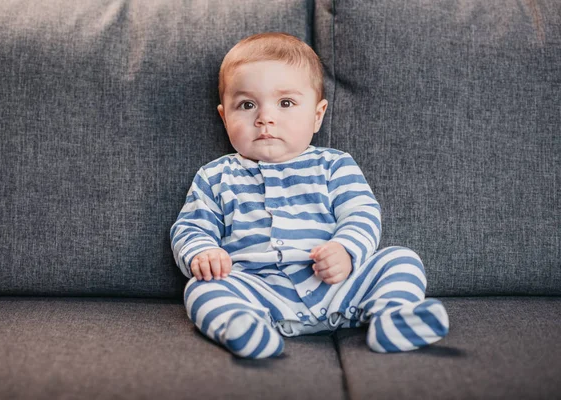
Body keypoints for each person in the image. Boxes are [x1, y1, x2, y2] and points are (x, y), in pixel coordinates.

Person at [170, 32, 449, 359]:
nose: (265, 118)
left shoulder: (334, 165)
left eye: (285, 103)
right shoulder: (215, 176)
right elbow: (190, 228)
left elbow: (362, 214)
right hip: (258, 292)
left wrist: (345, 250)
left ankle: (393, 317)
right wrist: (201, 253)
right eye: (247, 105)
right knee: (201, 289)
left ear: (317, 116)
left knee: (401, 259)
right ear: (224, 116)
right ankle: (244, 328)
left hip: (338, 287)